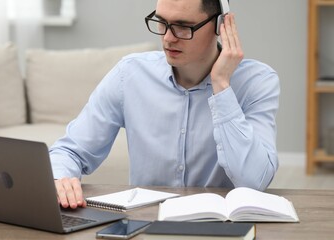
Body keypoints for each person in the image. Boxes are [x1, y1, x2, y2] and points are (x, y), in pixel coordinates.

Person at [50, 0, 280, 209]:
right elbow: (70, 151)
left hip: (219, 225)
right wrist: (60, 178)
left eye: (182, 26)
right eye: (161, 22)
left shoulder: (257, 82)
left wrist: (221, 85)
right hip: (146, 222)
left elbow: (255, 181)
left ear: (220, 25)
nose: (168, 38)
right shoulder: (129, 74)